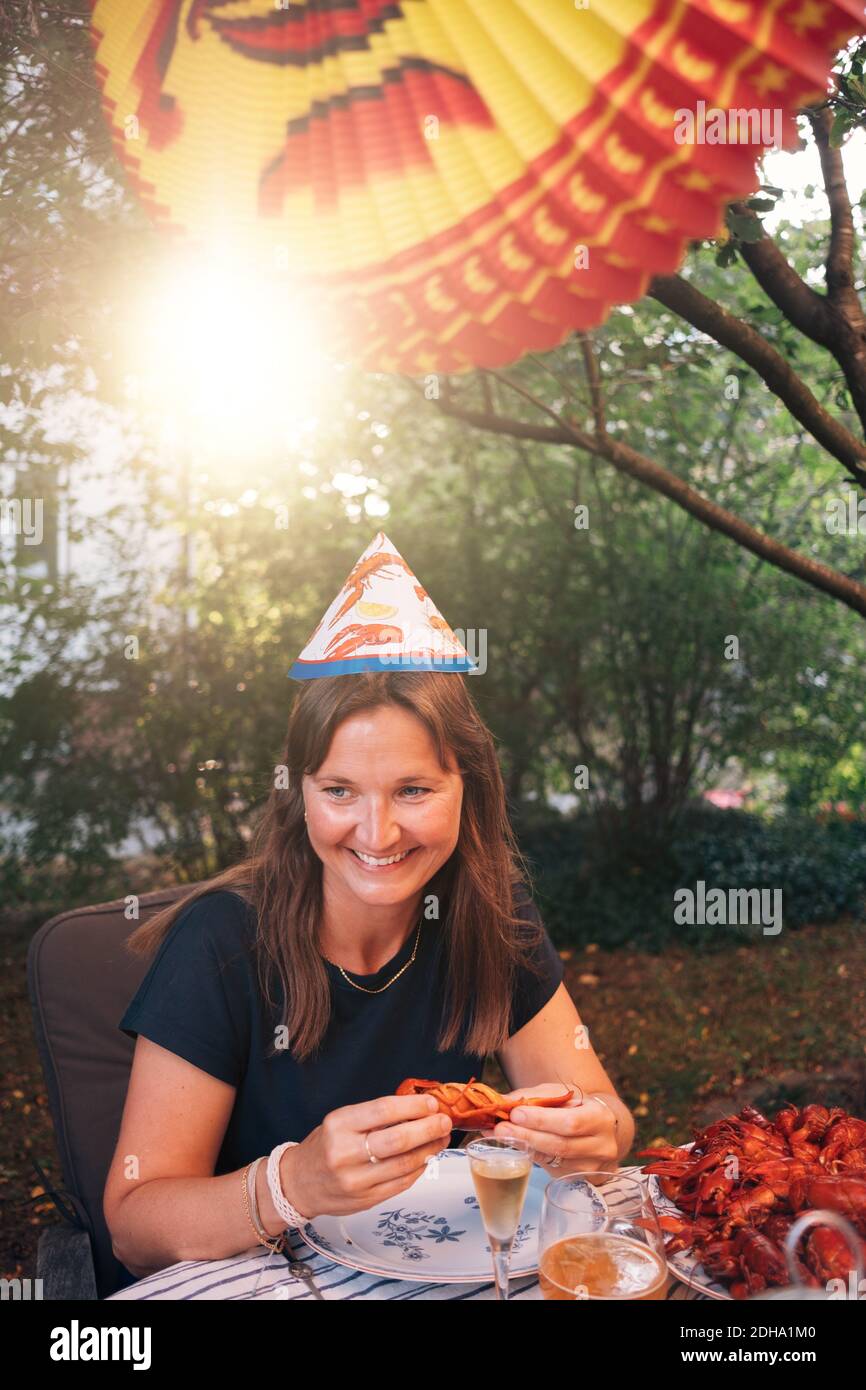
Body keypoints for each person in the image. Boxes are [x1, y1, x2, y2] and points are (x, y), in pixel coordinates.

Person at [104, 541, 634, 1281]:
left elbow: (608, 1116)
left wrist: (591, 1134)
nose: (377, 835)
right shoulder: (221, 940)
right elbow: (134, 1225)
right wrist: (294, 1185)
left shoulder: (491, 915)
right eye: (340, 791)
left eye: (413, 790)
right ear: (300, 794)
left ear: (468, 790)